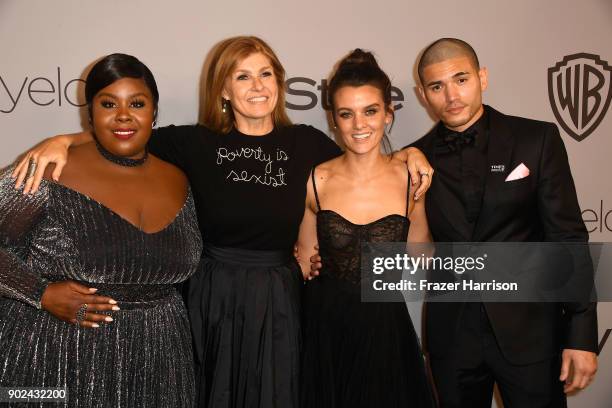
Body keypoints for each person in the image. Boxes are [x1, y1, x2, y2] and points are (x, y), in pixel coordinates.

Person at [10, 36, 434, 408]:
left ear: (279, 83)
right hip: (211, 297)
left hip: (279, 297)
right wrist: (64, 139)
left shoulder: (306, 143)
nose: (257, 86)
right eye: (243, 76)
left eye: (266, 74)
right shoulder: (194, 142)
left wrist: (408, 156)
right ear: (224, 89)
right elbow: (125, 129)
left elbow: (361, 153)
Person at [0, 53, 202, 407]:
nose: (123, 115)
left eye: (137, 103)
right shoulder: (47, 169)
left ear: (154, 112)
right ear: (89, 112)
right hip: (55, 358)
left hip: (159, 365)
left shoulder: (179, 178)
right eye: (108, 103)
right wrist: (41, 292)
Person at [410, 38, 598, 407]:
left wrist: (581, 333)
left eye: (461, 79)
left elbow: (568, 238)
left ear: (482, 77)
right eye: (437, 86)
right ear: (422, 94)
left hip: (531, 333)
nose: (451, 95)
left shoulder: (536, 140)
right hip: (453, 338)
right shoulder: (415, 159)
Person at [296, 49, 434, 408]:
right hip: (325, 333)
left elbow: (422, 260)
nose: (359, 125)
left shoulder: (412, 181)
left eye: (370, 111)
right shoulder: (316, 180)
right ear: (334, 120)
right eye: (347, 114)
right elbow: (304, 265)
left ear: (388, 115)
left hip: (386, 333)